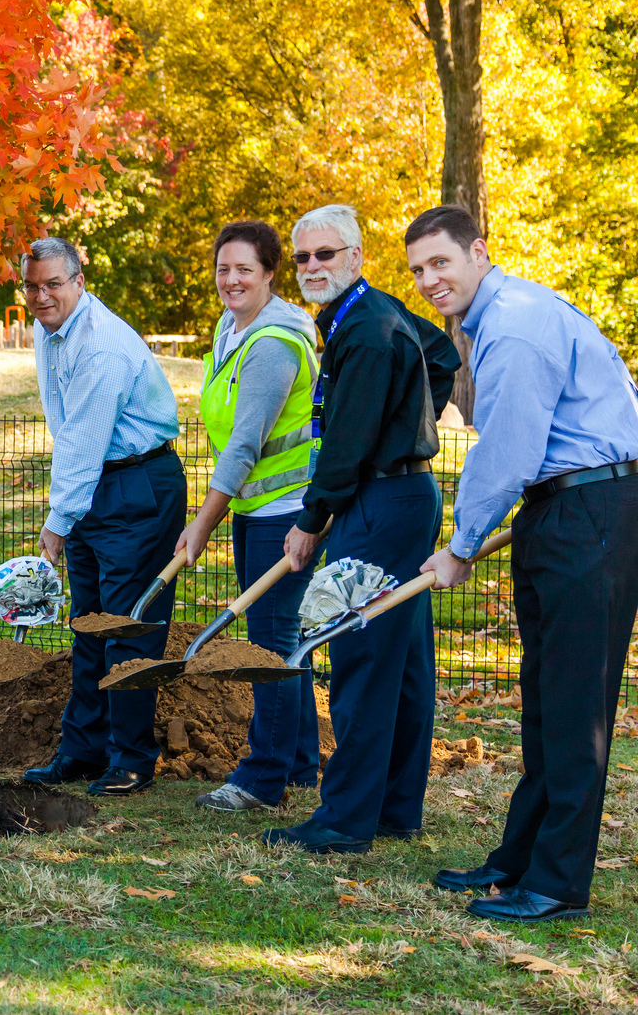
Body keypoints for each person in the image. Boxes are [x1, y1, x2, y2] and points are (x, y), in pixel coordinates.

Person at [408, 205, 638, 922]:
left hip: (589, 513)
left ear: (478, 252)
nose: (429, 279)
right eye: (417, 270)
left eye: (441, 262)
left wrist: (460, 546)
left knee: (574, 708)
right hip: (560, 507)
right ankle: (518, 859)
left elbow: (506, 448)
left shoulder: (513, 327)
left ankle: (559, 883)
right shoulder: (498, 317)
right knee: (542, 701)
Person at [261, 203, 460, 855]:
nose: (313, 266)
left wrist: (312, 519)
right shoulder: (370, 316)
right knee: (399, 658)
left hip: (378, 500)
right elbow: (437, 355)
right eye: (303, 257)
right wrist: (405, 417)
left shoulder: (368, 330)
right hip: (400, 494)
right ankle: (395, 807)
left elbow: (344, 441)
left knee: (358, 653)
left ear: (355, 258)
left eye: (326, 254)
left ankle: (345, 819)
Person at [20, 236, 184, 798]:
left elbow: (86, 440)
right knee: (89, 628)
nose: (42, 296)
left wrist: (57, 521)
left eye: (53, 284)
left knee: (126, 629)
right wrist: (71, 508)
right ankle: (84, 751)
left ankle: (132, 759)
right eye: (33, 286)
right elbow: (69, 433)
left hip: (137, 485)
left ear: (79, 281)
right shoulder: (51, 331)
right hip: (99, 484)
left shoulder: (98, 346)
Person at [174, 221, 321, 813]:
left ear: (269, 275)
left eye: (244, 270)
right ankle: (303, 764)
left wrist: (202, 520)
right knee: (286, 643)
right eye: (222, 269)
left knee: (270, 649)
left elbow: (245, 444)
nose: (230, 280)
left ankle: (262, 780)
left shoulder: (273, 344)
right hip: (255, 508)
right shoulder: (231, 329)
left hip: (282, 515)